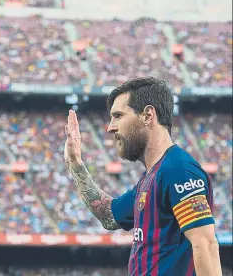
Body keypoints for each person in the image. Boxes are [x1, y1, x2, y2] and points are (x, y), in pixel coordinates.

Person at [64, 77, 222, 276]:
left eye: (118, 116)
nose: (110, 127)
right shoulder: (151, 177)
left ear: (148, 115)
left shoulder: (178, 169)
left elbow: (206, 245)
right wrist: (75, 163)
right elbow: (109, 216)